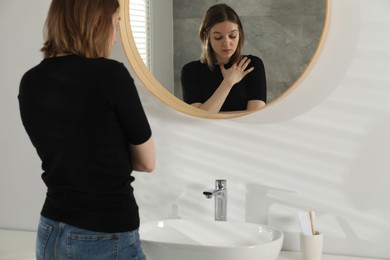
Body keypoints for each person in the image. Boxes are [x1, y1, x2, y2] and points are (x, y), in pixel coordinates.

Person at [18, 0, 155, 259]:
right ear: (95, 23)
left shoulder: (31, 81)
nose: (115, 38)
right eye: (115, 24)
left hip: (50, 230)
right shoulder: (109, 75)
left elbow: (64, 154)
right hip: (104, 233)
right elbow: (147, 162)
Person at [181, 3, 267, 113]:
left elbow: (255, 116)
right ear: (206, 37)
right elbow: (198, 119)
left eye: (232, 36)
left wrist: (212, 113)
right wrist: (228, 82)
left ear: (239, 34)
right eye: (218, 37)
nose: (226, 43)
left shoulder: (251, 65)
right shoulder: (191, 71)